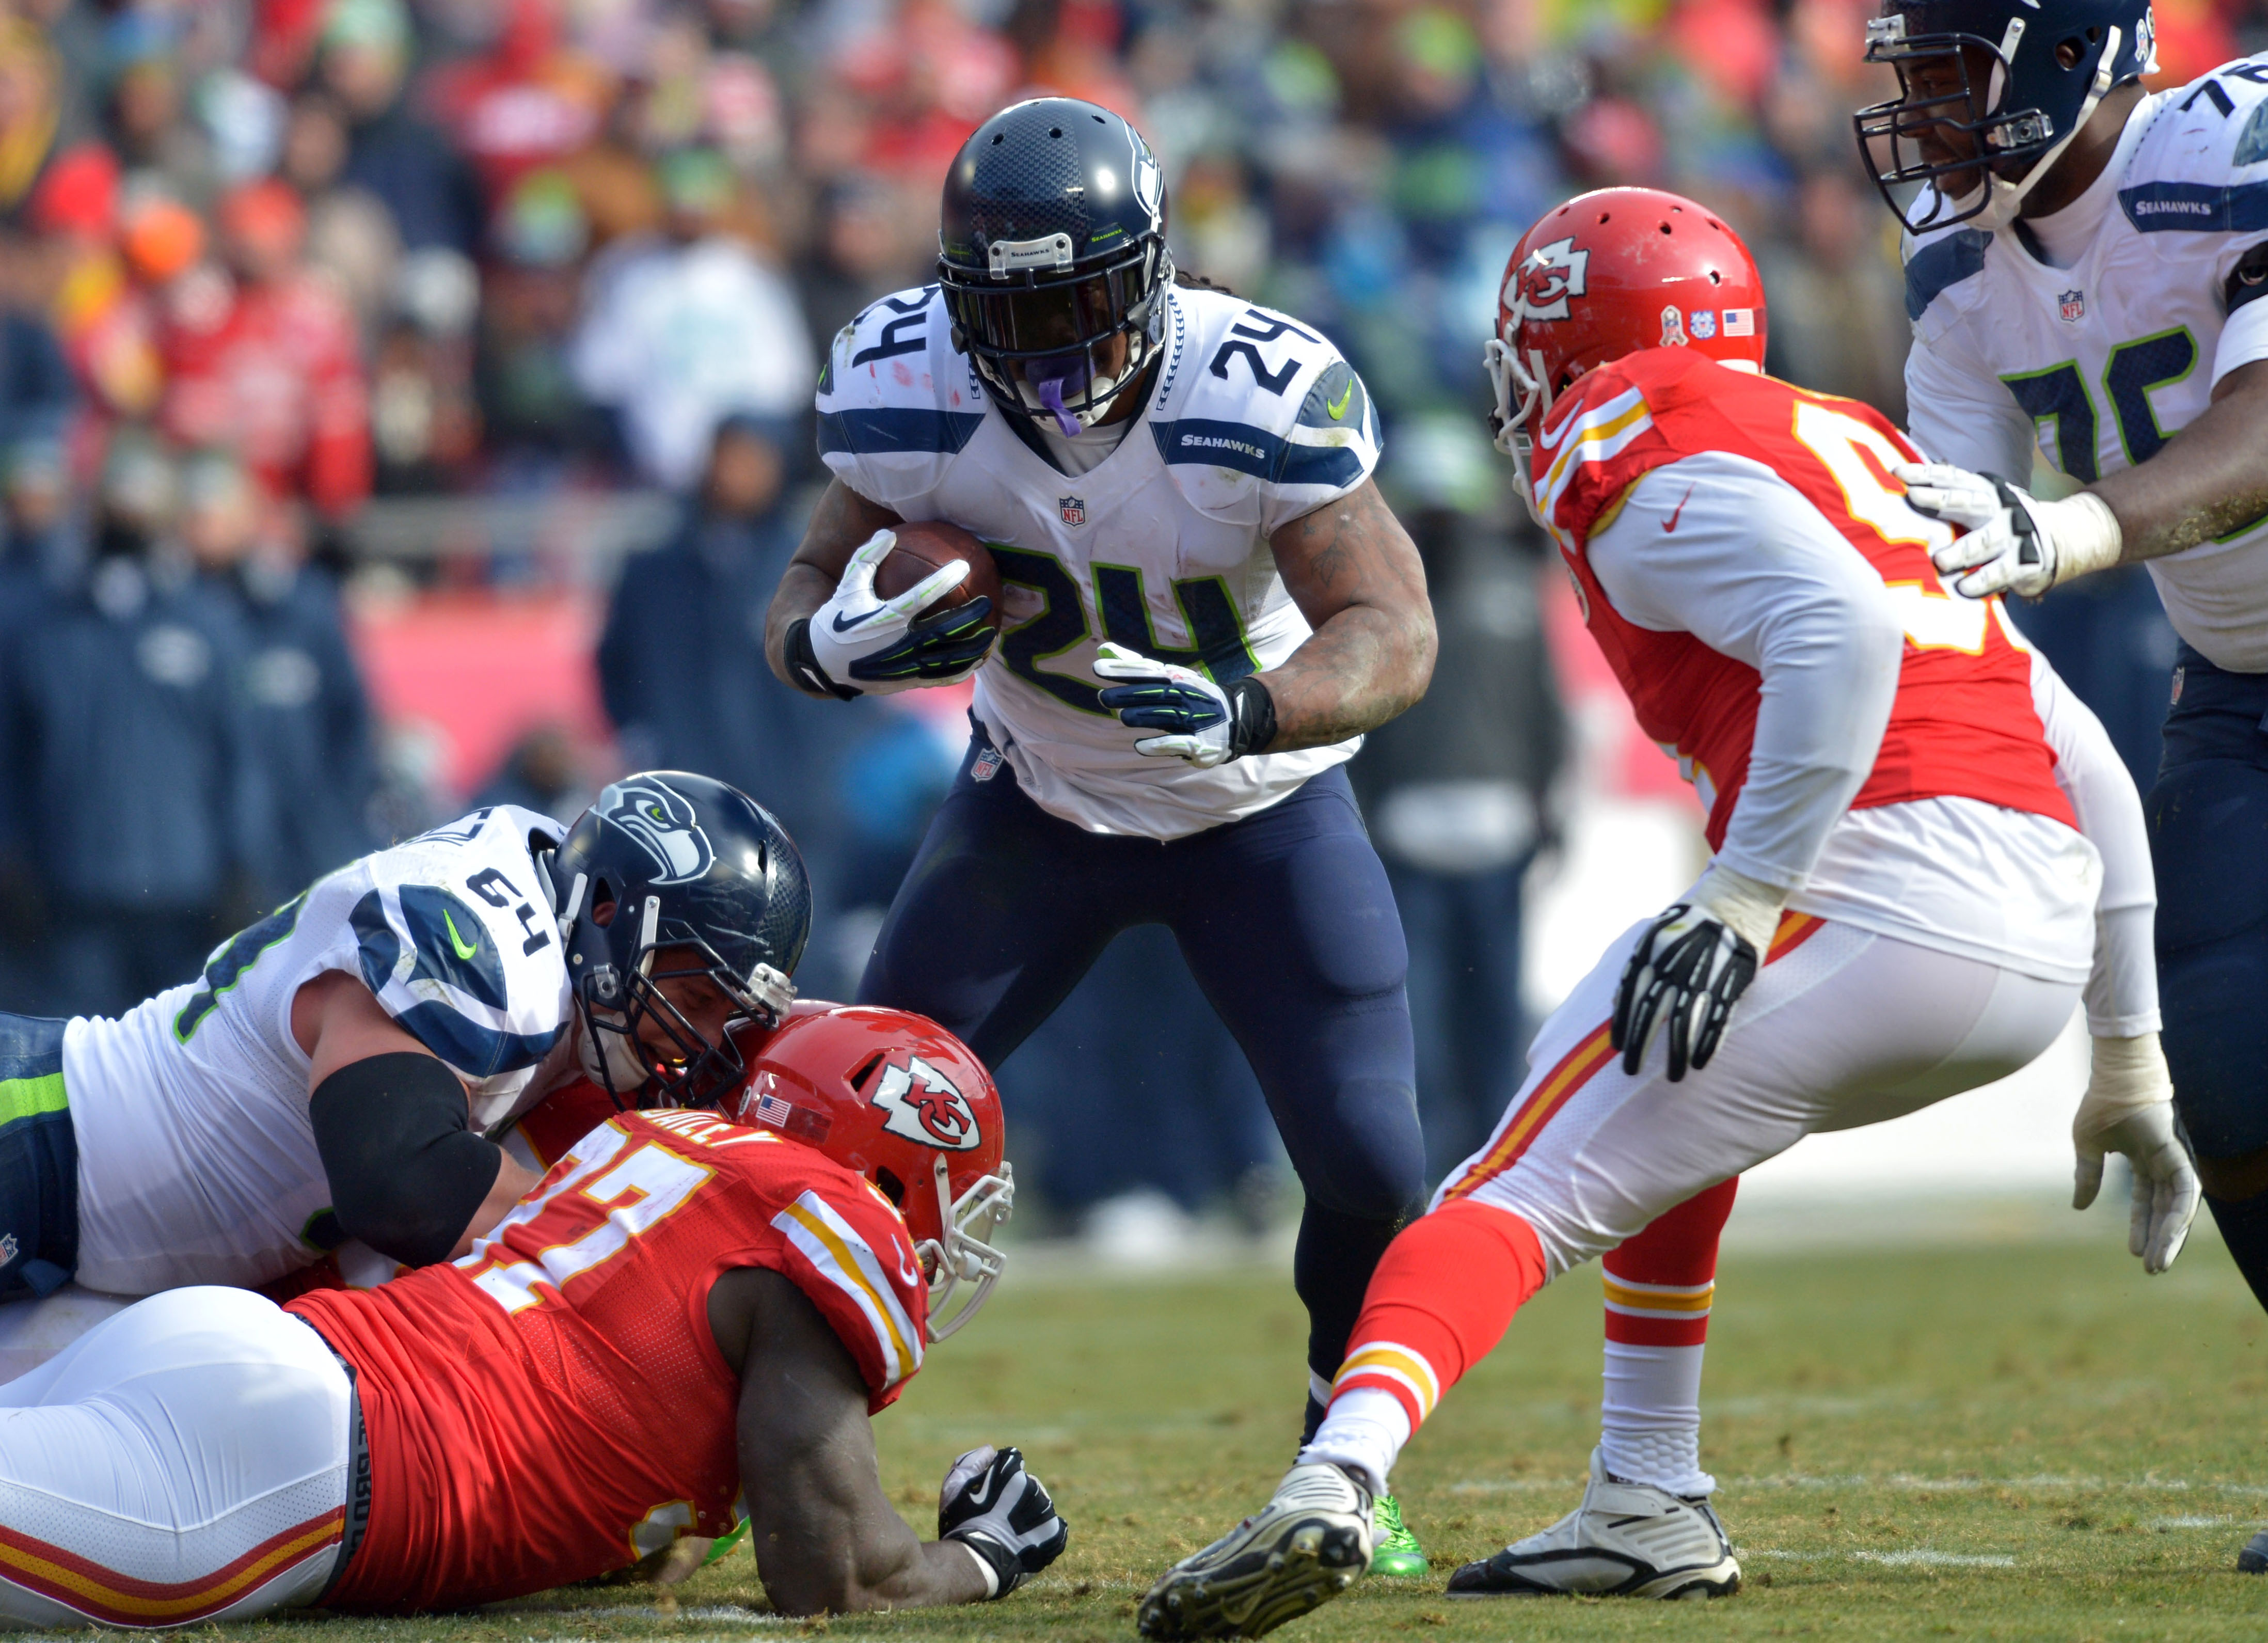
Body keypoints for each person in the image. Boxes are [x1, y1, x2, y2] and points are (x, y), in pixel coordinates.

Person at [1136, 188, 2196, 1639]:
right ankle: (1644, 1494)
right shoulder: (1865, 447)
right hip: (2032, 925)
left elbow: (1836, 625)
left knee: (1505, 1189)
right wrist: (2127, 1055)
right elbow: (2082, 751)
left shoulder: (1623, 424)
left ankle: (1335, 1476)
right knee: (1667, 1087)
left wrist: (1749, 890)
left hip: (1877, 892)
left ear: (1578, 345)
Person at [766, 96, 1440, 1575]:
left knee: (1375, 1166)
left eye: (1079, 298)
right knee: (840, 1138)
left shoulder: (1251, 389)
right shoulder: (909, 381)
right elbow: (804, 590)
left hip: (1254, 808)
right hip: (1037, 805)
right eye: (1012, 307)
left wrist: (1251, 712)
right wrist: (838, 641)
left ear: (1151, 273)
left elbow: (1394, 630)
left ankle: (1345, 1465)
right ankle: (790, 1468)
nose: (1053, 339)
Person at [1823, 0, 2268, 1572]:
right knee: (2227, 1066)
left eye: (1953, 75)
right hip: (2237, 691)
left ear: (2077, 54)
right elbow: (1939, 561)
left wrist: (2070, 529)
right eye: (1915, 81)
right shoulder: (1956, 275)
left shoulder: (2235, 148)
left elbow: (2264, 425)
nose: (1924, 116)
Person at [0, 1003, 1068, 1626]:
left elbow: (626, 1524)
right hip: (282, 1474)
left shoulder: (655, 1144)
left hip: (249, 1355)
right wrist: (983, 1556)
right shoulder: (827, 1224)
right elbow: (834, 1576)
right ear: (887, 1164)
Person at [0, 770, 806, 1325]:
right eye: (696, 998)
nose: (698, 1038)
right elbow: (400, 1179)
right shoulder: (486, 943)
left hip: (101, 1251)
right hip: (39, 1144)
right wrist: (644, 1245)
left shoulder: (561, 934)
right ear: (607, 912)